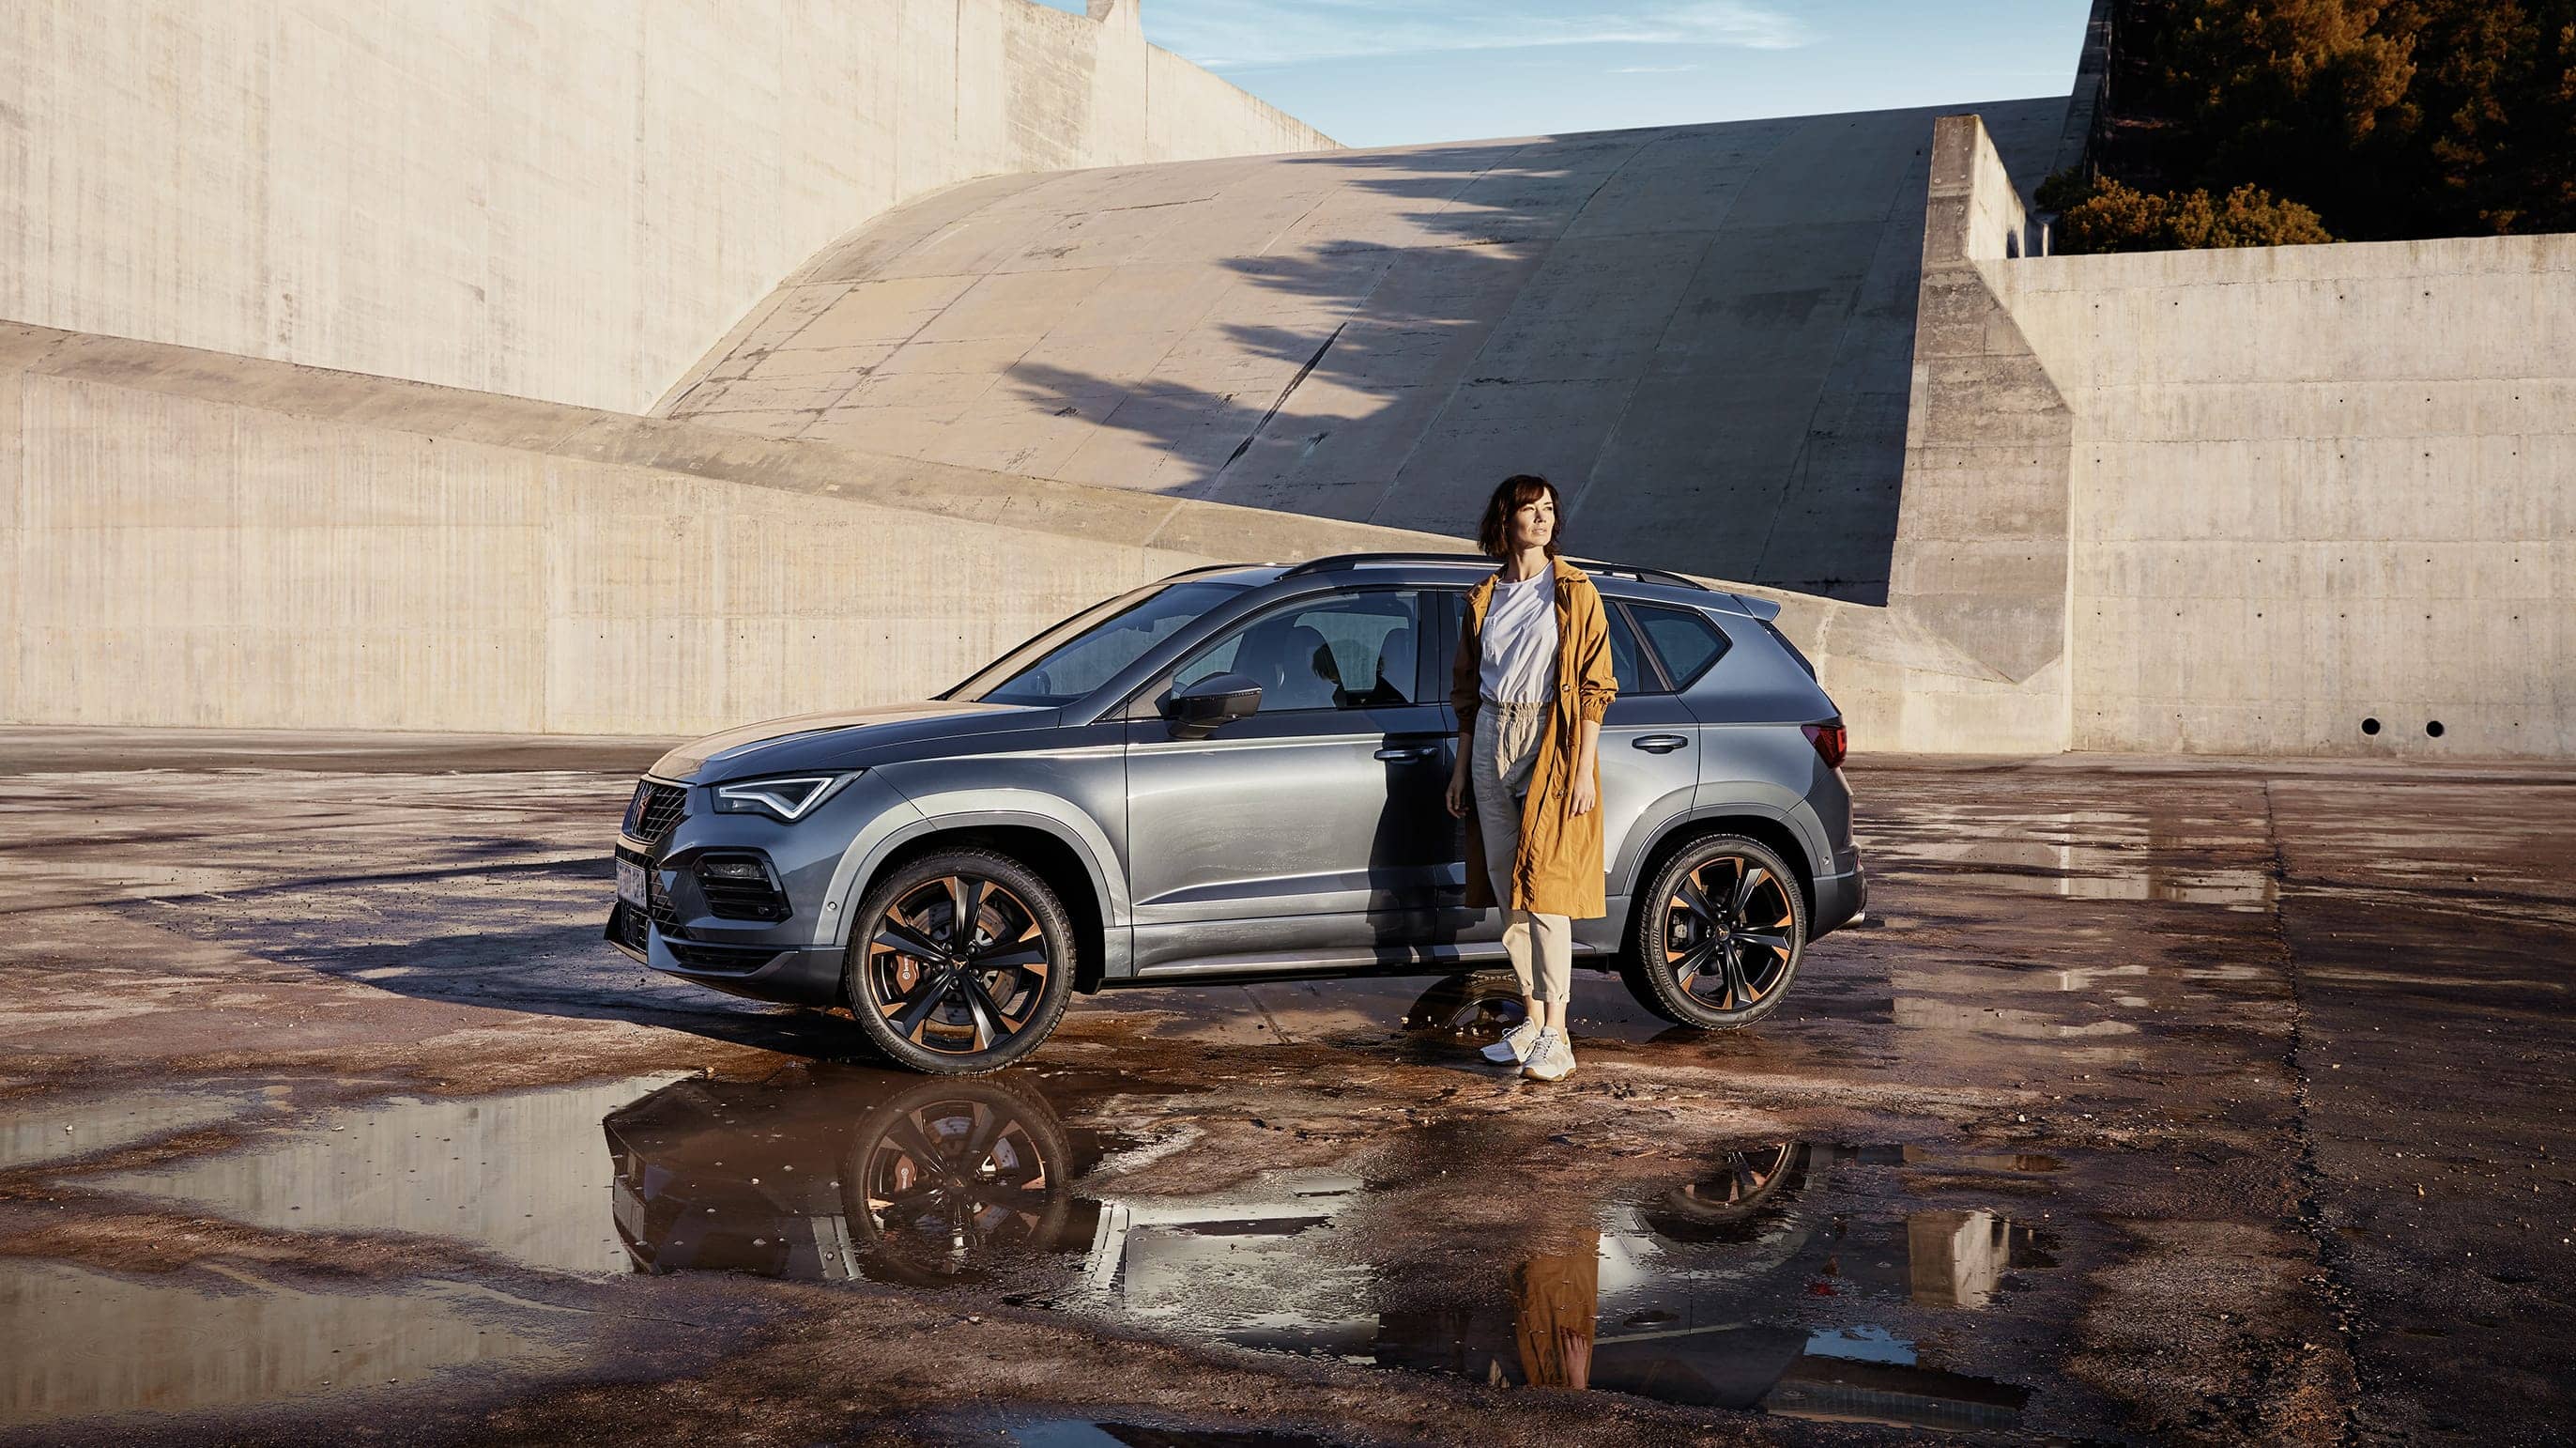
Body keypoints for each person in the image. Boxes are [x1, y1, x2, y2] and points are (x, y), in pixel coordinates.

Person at [1443, 473, 1618, 1083]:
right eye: (1531, 509)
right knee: (1506, 890)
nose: (1543, 518)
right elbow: (1467, 692)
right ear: (1507, 519)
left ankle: (1560, 1035)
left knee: (1545, 892)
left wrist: (1581, 769)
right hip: (1492, 733)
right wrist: (1462, 768)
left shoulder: (1572, 590)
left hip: (1549, 739)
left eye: (1549, 509)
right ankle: (1533, 1021)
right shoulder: (1484, 596)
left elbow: (1597, 685)